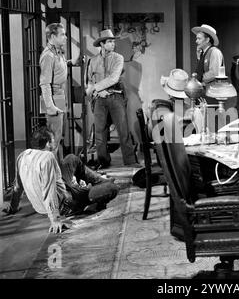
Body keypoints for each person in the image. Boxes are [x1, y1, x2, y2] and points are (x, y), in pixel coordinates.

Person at [2, 127, 119, 234]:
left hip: (54, 197)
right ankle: (94, 190)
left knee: (71, 159)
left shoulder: (23, 155)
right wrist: (55, 219)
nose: (55, 143)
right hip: (65, 204)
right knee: (112, 189)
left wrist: (13, 207)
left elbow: (17, 186)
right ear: (48, 143)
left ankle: (100, 180)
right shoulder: (48, 157)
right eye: (53, 140)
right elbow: (49, 191)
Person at [86, 29, 138, 169]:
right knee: (99, 132)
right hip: (99, 99)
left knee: (123, 129)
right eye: (109, 42)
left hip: (115, 96)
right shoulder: (92, 61)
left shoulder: (118, 58)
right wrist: (95, 92)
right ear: (102, 44)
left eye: (113, 42)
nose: (113, 44)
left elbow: (114, 78)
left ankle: (130, 160)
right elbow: (89, 82)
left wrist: (97, 88)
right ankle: (103, 161)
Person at [39, 23, 68, 159]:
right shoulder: (48, 55)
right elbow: (44, 83)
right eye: (62, 34)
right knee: (54, 141)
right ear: (52, 36)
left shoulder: (57, 51)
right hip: (54, 97)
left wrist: (70, 62)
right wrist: (51, 107)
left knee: (58, 137)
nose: (65, 37)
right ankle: (53, 176)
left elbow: (57, 68)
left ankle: (59, 173)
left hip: (59, 95)